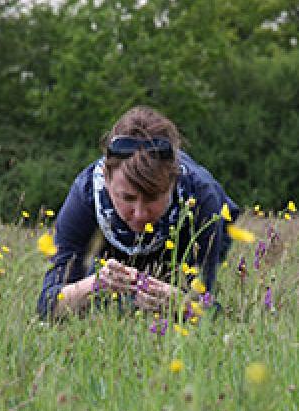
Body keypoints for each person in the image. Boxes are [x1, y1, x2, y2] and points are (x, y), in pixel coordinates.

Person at [37, 106, 239, 318]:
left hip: (182, 230)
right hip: (111, 239)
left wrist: (182, 303)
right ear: (106, 179)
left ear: (172, 182)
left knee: (168, 306)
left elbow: (211, 313)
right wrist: (95, 284)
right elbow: (48, 305)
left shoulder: (202, 198)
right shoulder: (85, 195)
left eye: (152, 198)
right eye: (127, 198)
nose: (140, 214)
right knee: (107, 305)